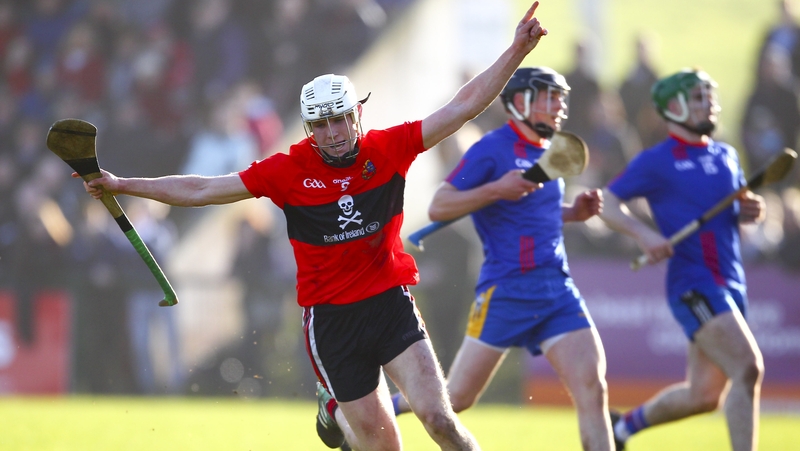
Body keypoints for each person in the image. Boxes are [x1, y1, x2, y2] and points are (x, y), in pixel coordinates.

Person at [78, 3, 549, 449]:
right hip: (332, 321)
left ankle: (341, 410)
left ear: (356, 114)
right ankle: (334, 410)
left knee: (440, 420)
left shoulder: (387, 149)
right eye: (320, 125)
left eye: (340, 120)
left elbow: (463, 107)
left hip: (389, 304)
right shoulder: (288, 170)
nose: (332, 133)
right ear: (308, 128)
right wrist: (123, 184)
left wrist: (516, 52)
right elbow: (203, 189)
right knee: (386, 444)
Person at [391, 66, 614, 451]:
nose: (560, 105)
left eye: (561, 97)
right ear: (522, 101)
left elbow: (533, 211)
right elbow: (440, 206)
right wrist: (495, 188)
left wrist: (573, 213)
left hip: (556, 289)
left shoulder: (549, 149)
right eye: (551, 96)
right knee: (456, 399)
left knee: (593, 389)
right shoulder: (491, 149)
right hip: (506, 290)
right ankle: (373, 409)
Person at [598, 69, 766, 451]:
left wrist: (751, 210)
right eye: (698, 98)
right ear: (673, 107)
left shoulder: (727, 154)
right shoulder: (656, 160)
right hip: (694, 284)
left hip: (731, 282)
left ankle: (622, 429)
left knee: (704, 396)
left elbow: (735, 211)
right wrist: (645, 234)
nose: (709, 104)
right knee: (747, 367)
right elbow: (606, 202)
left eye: (710, 95)